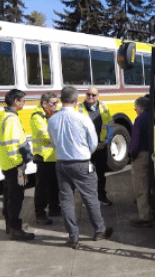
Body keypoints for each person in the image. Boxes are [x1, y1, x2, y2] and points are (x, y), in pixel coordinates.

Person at [48, 86, 113, 248]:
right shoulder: (83, 119)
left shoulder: (52, 119)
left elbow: (53, 142)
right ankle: (99, 231)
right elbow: (92, 143)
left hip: (62, 164)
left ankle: (73, 236)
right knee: (90, 198)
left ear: (61, 100)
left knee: (67, 201)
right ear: (76, 100)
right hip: (82, 163)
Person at [0, 89, 35, 241]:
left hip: (6, 164)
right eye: (23, 101)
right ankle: (15, 229)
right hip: (14, 165)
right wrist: (20, 164)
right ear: (16, 102)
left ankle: (9, 225)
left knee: (9, 195)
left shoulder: (4, 116)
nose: (24, 103)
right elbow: (12, 146)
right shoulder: (11, 119)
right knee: (16, 197)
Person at [128, 96, 155, 227]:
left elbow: (135, 141)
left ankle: (145, 216)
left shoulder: (139, 120)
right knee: (153, 184)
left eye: (135, 108)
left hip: (141, 155)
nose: (135, 110)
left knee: (141, 186)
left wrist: (131, 154)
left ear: (140, 108)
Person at [77, 86, 113, 206]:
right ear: (85, 95)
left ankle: (102, 197)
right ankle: (87, 200)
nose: (90, 97)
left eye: (93, 95)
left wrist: (106, 141)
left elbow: (110, 126)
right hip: (87, 149)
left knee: (101, 174)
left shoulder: (103, 106)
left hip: (101, 147)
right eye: (88, 94)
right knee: (87, 175)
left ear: (98, 96)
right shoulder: (79, 108)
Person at [31, 92, 61, 225]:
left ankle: (54, 208)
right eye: (53, 103)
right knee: (42, 187)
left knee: (55, 185)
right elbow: (45, 135)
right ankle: (40, 213)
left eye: (57, 103)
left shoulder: (53, 113)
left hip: (54, 156)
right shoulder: (37, 116)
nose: (56, 105)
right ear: (44, 103)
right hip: (43, 157)